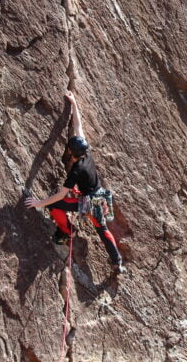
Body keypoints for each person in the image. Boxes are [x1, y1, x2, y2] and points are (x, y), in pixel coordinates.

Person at [25, 92, 124, 273]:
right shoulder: (87, 155)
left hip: (89, 203)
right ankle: (117, 261)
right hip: (99, 197)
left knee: (54, 205)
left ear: (71, 152)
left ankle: (67, 232)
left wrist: (39, 203)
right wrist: (74, 103)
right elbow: (78, 127)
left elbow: (60, 195)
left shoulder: (77, 170)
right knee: (102, 230)